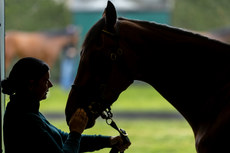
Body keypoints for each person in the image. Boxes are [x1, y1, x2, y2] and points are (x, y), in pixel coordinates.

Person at [1, 57, 130, 153]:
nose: (50, 85)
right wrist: (76, 132)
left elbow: (63, 139)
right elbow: (68, 143)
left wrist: (108, 141)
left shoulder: (25, 110)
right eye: (45, 81)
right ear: (30, 85)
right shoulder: (26, 120)